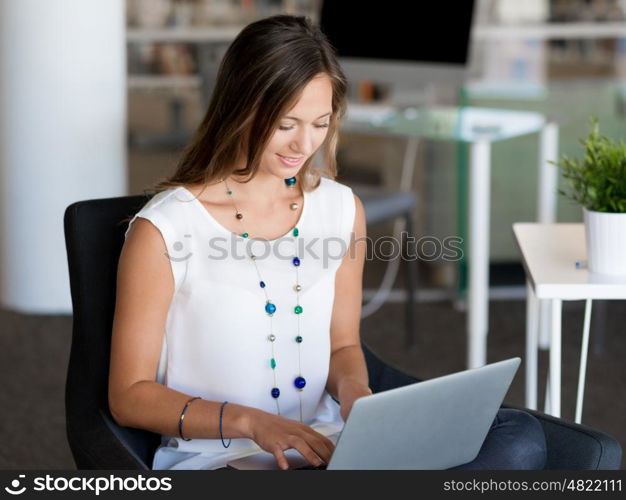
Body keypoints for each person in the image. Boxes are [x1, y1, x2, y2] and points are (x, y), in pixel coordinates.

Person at [108, 14, 547, 471]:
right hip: (224, 461)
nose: (304, 144)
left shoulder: (341, 209)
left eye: (319, 123)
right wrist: (251, 423)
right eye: (285, 124)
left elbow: (342, 347)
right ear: (240, 108)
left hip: (329, 446)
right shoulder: (165, 229)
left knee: (519, 438)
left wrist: (357, 396)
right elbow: (129, 395)